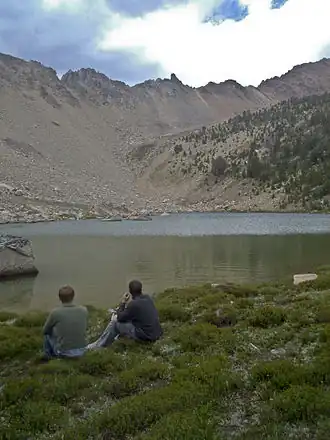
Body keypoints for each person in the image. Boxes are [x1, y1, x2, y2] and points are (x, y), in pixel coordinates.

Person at [87, 280, 162, 349]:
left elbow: (120, 318)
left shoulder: (133, 304)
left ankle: (98, 346)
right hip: (156, 333)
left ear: (130, 291)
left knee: (115, 323)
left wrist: (123, 302)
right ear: (141, 289)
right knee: (127, 320)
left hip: (147, 336)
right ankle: (116, 336)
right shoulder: (148, 298)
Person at [42, 285, 88, 360]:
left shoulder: (55, 312)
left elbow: (45, 331)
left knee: (47, 335)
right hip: (83, 350)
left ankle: (49, 357)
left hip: (64, 352)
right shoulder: (84, 310)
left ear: (60, 298)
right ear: (73, 296)